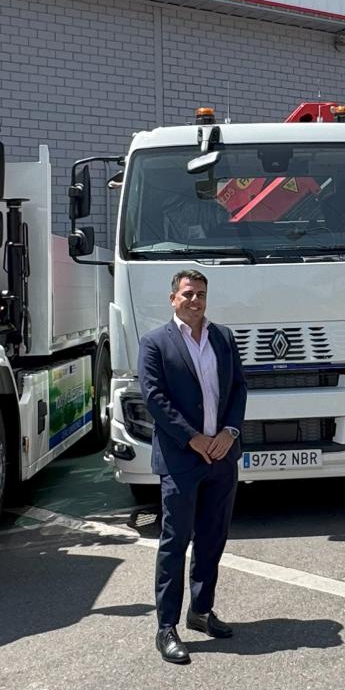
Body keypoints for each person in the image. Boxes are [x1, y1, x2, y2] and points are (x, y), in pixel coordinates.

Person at [138, 268, 249, 665]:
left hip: (222, 457)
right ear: (173, 299)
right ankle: (166, 627)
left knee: (212, 538)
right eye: (188, 294)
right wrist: (193, 438)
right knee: (175, 542)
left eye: (201, 294)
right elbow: (154, 397)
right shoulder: (155, 343)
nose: (195, 300)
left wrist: (230, 432)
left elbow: (237, 388)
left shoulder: (223, 337)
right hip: (182, 459)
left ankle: (201, 612)